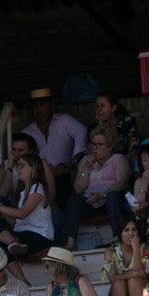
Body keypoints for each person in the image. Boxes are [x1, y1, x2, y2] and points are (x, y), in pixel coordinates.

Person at [23, 88, 87, 217]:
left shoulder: (64, 120)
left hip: (66, 174)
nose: (38, 110)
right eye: (35, 107)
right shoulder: (27, 132)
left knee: (64, 183)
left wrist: (76, 157)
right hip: (41, 179)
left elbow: (81, 130)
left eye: (42, 105)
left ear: (51, 105)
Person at [64, 130, 130, 246]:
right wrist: (86, 170)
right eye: (93, 145)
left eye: (99, 145)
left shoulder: (119, 159)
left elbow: (122, 183)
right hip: (90, 202)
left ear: (110, 147)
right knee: (73, 200)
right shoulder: (86, 160)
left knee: (113, 196)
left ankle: (117, 236)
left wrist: (103, 195)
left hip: (110, 201)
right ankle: (70, 241)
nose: (95, 148)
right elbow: (78, 189)